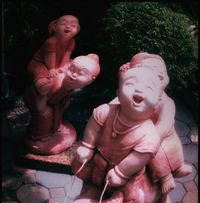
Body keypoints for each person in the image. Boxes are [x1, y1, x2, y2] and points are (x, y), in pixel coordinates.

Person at [110, 52, 192, 193]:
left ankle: (173, 170)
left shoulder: (166, 102)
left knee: (163, 151)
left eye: (161, 74)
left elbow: (164, 125)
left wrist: (152, 137)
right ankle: (164, 175)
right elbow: (119, 101)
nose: (156, 75)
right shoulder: (134, 94)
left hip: (159, 136)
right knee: (147, 155)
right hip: (135, 132)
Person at [72, 66, 162, 190]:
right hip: (98, 160)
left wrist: (121, 172)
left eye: (149, 88)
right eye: (131, 83)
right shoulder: (105, 111)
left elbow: (138, 159)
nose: (139, 89)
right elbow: (93, 128)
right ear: (118, 94)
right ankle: (88, 191)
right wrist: (87, 146)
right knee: (88, 178)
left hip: (123, 174)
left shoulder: (149, 136)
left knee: (125, 194)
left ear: (157, 102)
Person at [24, 53, 100, 154]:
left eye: (81, 73)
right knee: (47, 114)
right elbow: (40, 95)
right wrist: (41, 109)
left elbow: (63, 96)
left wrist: (63, 102)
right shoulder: (55, 83)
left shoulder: (70, 85)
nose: (74, 75)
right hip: (36, 98)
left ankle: (54, 128)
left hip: (53, 100)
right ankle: (39, 136)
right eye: (72, 70)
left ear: (91, 79)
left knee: (59, 109)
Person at [27, 15, 80, 96]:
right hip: (41, 62)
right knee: (40, 71)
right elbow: (49, 56)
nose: (68, 27)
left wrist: (62, 66)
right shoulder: (51, 41)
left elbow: (67, 55)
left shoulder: (72, 42)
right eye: (63, 24)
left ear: (77, 29)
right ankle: (41, 85)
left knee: (74, 64)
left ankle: (72, 84)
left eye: (73, 25)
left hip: (58, 62)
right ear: (55, 27)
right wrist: (52, 68)